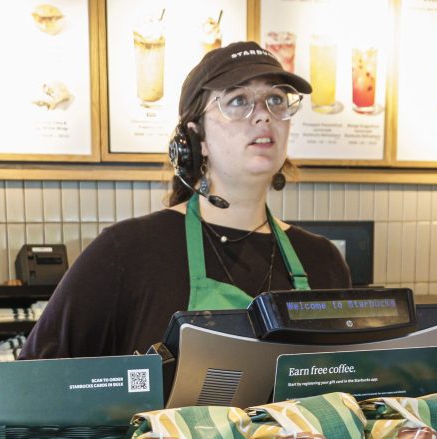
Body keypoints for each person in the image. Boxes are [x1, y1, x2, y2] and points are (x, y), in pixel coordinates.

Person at [21, 42, 352, 360]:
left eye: (276, 99)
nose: (263, 115)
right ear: (197, 138)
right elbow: (37, 372)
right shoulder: (129, 251)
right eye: (237, 101)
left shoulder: (322, 261)